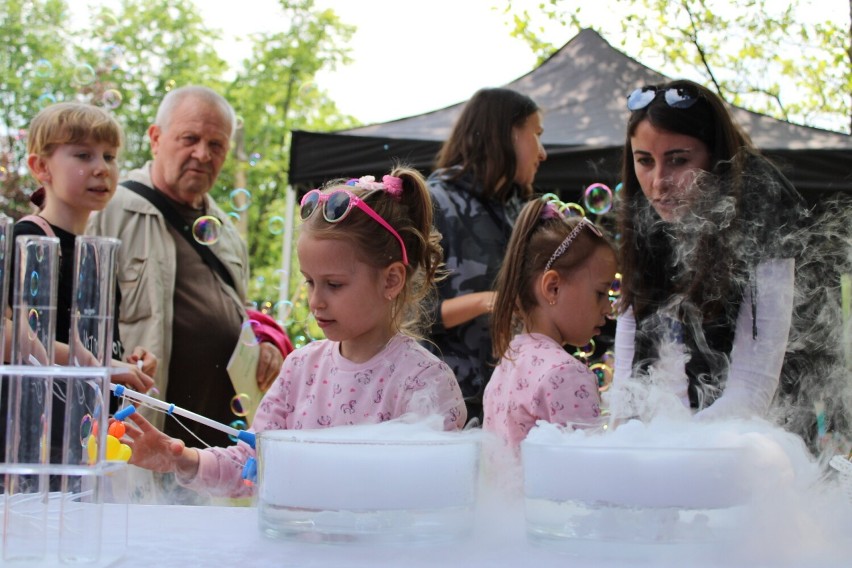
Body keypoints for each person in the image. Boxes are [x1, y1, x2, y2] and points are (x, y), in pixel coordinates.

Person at [120, 167, 467, 498]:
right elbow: (252, 464)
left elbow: (430, 494)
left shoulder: (424, 381)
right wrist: (178, 457)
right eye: (310, 281)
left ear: (391, 279)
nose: (315, 301)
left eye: (334, 284)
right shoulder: (301, 368)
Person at [611, 79, 850, 447]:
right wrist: (621, 436)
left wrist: (676, 445)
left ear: (715, 156)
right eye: (644, 161)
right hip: (698, 427)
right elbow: (633, 347)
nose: (659, 183)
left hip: (774, 430)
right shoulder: (650, 214)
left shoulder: (764, 203)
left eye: (678, 160)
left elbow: (753, 388)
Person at [87, 86, 288, 450]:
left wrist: (264, 344)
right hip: (138, 441)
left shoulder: (226, 232)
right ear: (156, 138)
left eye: (216, 145)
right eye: (190, 138)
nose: (202, 154)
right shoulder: (108, 210)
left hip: (215, 452)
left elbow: (236, 318)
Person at [2, 102, 155, 482]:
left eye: (110, 156)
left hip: (84, 437)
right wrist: (95, 364)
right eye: (83, 155)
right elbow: (10, 334)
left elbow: (96, 342)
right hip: (33, 439)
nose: (102, 167)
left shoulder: (97, 254)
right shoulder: (27, 240)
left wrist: (126, 361)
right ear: (41, 167)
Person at [425, 87, 547, 425]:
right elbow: (404, 315)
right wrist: (488, 301)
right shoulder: (433, 203)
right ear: (507, 133)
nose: (543, 153)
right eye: (536, 135)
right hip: (445, 414)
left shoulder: (515, 212)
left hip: (510, 408)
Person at [483, 198, 617, 451]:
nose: (608, 309)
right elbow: (587, 477)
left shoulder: (507, 363)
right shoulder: (566, 374)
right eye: (600, 293)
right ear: (553, 287)